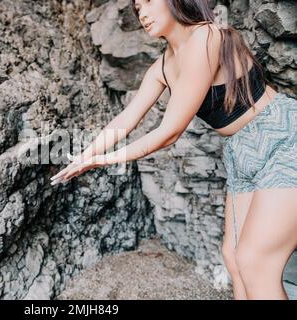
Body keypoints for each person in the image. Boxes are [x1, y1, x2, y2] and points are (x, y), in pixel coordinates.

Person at [50, 0, 297, 300]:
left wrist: (106, 159)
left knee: (255, 262)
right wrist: (85, 155)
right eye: (137, 7)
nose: (141, 12)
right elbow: (127, 118)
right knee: (234, 259)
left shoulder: (207, 38)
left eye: (148, 2)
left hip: (282, 138)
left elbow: (169, 132)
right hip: (239, 153)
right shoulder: (163, 66)